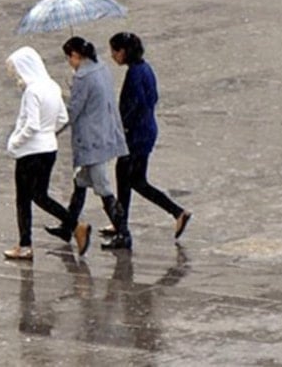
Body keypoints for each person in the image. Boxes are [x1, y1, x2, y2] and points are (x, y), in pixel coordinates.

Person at [102, 32, 192, 250]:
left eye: (114, 51)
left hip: (134, 135)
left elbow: (132, 105)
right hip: (147, 131)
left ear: (122, 51)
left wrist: (119, 125)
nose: (112, 56)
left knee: (125, 180)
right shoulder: (145, 69)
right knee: (136, 180)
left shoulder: (134, 74)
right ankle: (174, 212)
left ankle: (123, 230)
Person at [43, 37, 129, 256]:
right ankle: (68, 226)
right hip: (104, 132)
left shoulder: (83, 77)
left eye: (68, 58)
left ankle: (123, 233)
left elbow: (73, 111)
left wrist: (51, 131)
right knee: (80, 182)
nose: (69, 62)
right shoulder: (101, 68)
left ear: (75, 55)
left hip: (91, 141)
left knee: (103, 188)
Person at [3, 46, 69, 260]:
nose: (17, 79)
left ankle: (25, 244)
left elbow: (31, 126)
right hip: (49, 149)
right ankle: (74, 223)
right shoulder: (52, 86)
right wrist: (49, 134)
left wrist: (14, 142)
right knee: (40, 194)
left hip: (30, 152)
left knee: (23, 199)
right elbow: (63, 119)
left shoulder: (32, 92)